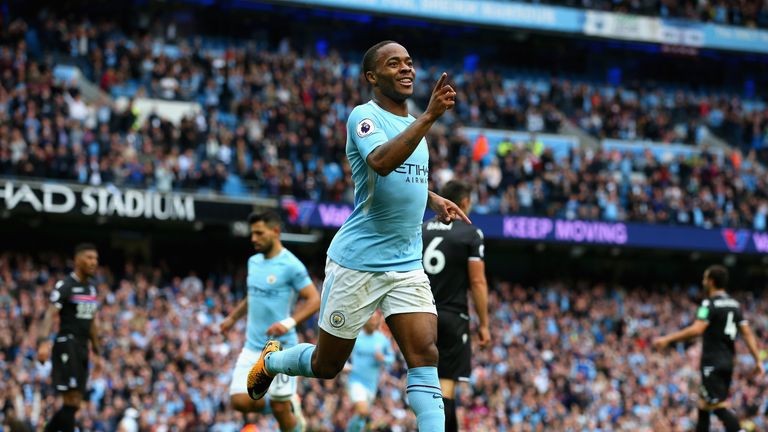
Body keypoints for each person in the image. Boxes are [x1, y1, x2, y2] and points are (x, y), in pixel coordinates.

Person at [246, 40, 467, 432]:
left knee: (425, 355)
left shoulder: (416, 125)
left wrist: (432, 198)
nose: (406, 69)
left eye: (409, 63)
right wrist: (430, 116)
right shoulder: (363, 117)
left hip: (406, 262)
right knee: (326, 365)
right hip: (359, 261)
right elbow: (381, 162)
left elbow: (406, 178)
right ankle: (273, 361)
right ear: (372, 76)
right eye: (394, 63)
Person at [220, 210, 320, 432]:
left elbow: (314, 300)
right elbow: (252, 295)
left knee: (280, 411)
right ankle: (287, 402)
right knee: (239, 400)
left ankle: (286, 406)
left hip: (280, 348)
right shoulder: (253, 262)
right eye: (252, 233)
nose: (253, 238)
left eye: (259, 233)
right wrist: (232, 318)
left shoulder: (291, 265)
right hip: (252, 346)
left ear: (275, 231)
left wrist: (288, 323)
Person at [653, 265, 764, 432]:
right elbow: (747, 334)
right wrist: (758, 360)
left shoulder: (708, 304)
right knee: (703, 404)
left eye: (705, 278)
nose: (703, 281)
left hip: (712, 362)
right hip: (727, 361)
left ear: (711, 281)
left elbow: (697, 329)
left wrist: (668, 339)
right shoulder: (734, 304)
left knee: (718, 405)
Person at [422, 180, 490, 432]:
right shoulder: (471, 234)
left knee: (425, 386)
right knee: (446, 387)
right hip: (452, 317)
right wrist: (484, 324)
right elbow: (478, 281)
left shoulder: (421, 229)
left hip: (420, 316)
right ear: (463, 204)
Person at [41, 243, 100, 432]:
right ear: (77, 260)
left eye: (96, 258)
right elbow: (50, 314)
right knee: (71, 399)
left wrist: (98, 352)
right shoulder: (66, 285)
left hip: (82, 347)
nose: (93, 262)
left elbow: (91, 323)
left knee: (74, 405)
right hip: (67, 343)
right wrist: (43, 343)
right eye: (89, 258)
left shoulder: (91, 289)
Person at [344, 312, 395, 432]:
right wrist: (345, 367)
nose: (373, 322)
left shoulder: (382, 340)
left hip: (372, 384)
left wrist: (383, 359)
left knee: (362, 416)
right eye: (371, 319)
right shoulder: (356, 337)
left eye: (375, 320)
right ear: (365, 320)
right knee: (362, 410)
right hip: (355, 380)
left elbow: (391, 358)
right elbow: (342, 355)